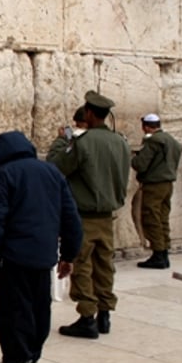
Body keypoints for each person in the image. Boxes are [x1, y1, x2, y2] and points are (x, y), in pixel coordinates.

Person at [0, 131, 83, 363]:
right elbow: (71, 217)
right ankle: (31, 356)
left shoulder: (2, 176)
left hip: (15, 256)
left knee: (13, 310)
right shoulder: (52, 173)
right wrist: (69, 255)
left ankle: (16, 362)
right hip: (44, 255)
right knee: (39, 308)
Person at [47, 90, 130, 339]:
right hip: (108, 214)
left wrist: (62, 142)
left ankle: (87, 317)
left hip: (84, 214)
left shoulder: (82, 143)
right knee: (105, 265)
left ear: (90, 113)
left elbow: (56, 167)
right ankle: (105, 313)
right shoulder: (121, 142)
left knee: (81, 264)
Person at [132, 113, 182, 269]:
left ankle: (158, 253)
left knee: (151, 218)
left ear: (146, 127)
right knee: (162, 218)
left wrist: (133, 157)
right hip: (168, 184)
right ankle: (164, 252)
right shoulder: (172, 141)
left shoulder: (153, 141)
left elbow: (140, 164)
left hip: (154, 184)